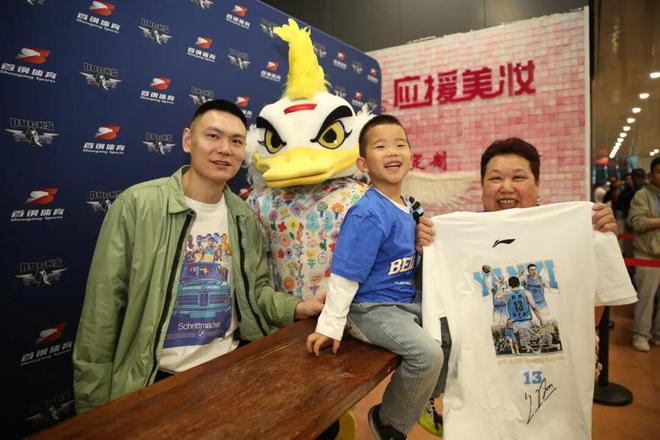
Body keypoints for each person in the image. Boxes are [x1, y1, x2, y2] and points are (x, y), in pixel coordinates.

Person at [73, 100, 325, 414]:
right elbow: (102, 314)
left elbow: (255, 293)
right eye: (213, 136)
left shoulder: (244, 217)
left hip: (229, 372)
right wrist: (93, 412)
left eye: (236, 141)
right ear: (187, 140)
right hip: (154, 381)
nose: (225, 149)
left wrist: (300, 307)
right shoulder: (137, 206)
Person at [306, 115, 445, 440]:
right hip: (370, 309)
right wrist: (330, 325)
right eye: (381, 146)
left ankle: (421, 398)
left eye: (400, 144)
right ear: (363, 164)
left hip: (404, 302)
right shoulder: (368, 213)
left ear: (411, 157)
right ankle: (390, 424)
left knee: (452, 332)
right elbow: (345, 275)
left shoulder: (411, 208)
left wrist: (422, 246)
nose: (392, 151)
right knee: (428, 355)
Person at [627, 157, 660, 352]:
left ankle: (658, 333)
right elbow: (636, 222)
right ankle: (640, 334)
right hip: (647, 254)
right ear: (652, 174)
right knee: (646, 298)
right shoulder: (642, 195)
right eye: (659, 172)